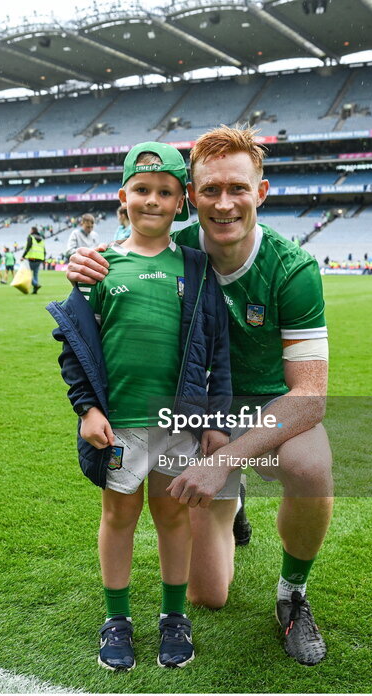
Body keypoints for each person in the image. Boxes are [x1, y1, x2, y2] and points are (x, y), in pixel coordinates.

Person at [69, 126, 331, 666]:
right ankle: (230, 507)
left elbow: (309, 397)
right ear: (192, 195)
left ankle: (293, 595)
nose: (224, 202)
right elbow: (108, 289)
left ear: (261, 191)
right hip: (191, 412)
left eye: (238, 188)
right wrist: (81, 269)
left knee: (309, 466)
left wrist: (226, 460)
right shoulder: (177, 249)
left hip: (266, 410)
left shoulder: (293, 269)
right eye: (210, 189)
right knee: (207, 595)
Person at [49, 141, 231, 672]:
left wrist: (216, 422)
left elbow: (216, 350)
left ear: (183, 203)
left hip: (178, 424)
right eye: (142, 190)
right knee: (119, 514)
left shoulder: (196, 268)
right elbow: (75, 347)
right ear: (123, 197)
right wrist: (87, 409)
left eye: (165, 192)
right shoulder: (100, 266)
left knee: (173, 516)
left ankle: (174, 617)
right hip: (120, 425)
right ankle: (117, 618)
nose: (153, 201)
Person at [21, 226, 45, 294]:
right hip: (39, 259)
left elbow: (28, 247)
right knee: (35, 275)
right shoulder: (41, 239)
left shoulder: (30, 237)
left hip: (32, 258)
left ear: (32, 230)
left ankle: (36, 284)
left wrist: (23, 256)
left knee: (25, 273)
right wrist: (43, 259)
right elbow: (44, 250)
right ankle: (35, 290)